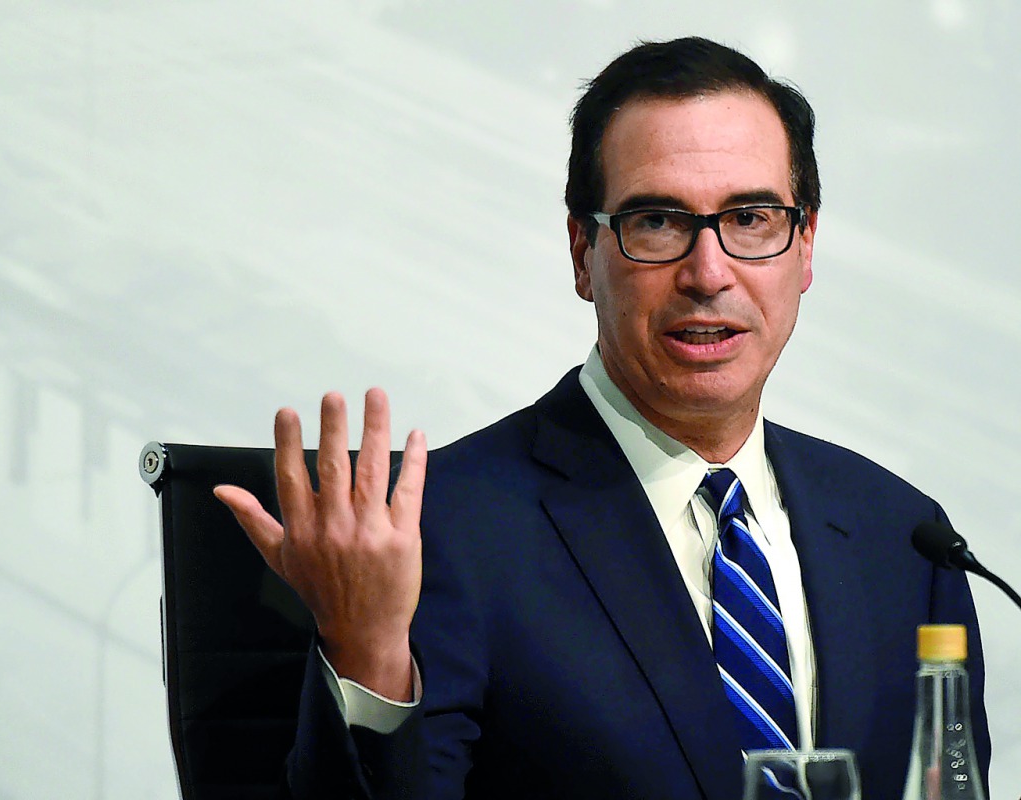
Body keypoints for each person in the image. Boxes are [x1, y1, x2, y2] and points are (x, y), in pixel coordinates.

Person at [215, 37, 990, 800]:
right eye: (657, 222)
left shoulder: (906, 541)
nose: (709, 272)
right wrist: (368, 654)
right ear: (584, 252)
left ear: (806, 245)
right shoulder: (444, 530)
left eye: (751, 218)